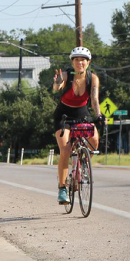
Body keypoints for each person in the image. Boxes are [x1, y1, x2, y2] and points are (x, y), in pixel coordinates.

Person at [51, 46, 101, 205]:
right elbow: (57, 88)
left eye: (83, 60)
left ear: (88, 62)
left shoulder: (93, 78)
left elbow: (94, 100)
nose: (80, 62)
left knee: (94, 140)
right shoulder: (66, 75)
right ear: (72, 62)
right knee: (65, 149)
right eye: (77, 60)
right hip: (63, 115)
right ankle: (62, 189)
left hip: (82, 113)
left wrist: (98, 115)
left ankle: (83, 165)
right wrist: (57, 83)